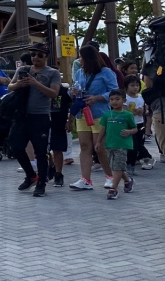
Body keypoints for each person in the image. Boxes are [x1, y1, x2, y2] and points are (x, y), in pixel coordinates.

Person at [7, 43, 61, 196]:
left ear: (46, 57)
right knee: (16, 146)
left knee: (40, 151)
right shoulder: (23, 70)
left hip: (40, 116)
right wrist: (18, 84)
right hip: (22, 115)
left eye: (39, 55)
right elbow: (10, 87)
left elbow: (53, 94)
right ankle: (31, 175)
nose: (35, 58)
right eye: (33, 54)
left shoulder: (52, 73)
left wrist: (36, 83)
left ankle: (42, 182)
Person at [70, 44, 118, 191]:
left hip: (99, 114)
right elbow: (75, 87)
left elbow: (115, 91)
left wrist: (97, 98)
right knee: (85, 146)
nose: (79, 59)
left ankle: (110, 176)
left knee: (100, 147)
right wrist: (72, 92)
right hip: (82, 113)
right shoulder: (79, 72)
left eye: (81, 56)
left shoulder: (106, 72)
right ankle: (85, 179)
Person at [99, 89, 137, 199]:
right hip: (110, 144)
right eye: (111, 99)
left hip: (122, 144)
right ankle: (128, 180)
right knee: (115, 166)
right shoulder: (107, 115)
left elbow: (135, 129)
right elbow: (103, 129)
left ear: (123, 100)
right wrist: (98, 142)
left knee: (118, 167)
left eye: (117, 99)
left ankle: (113, 189)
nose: (114, 102)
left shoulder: (128, 115)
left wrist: (129, 132)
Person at [124, 75, 152, 173]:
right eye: (132, 85)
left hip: (140, 124)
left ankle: (133, 165)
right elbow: (124, 111)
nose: (135, 87)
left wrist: (142, 111)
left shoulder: (140, 97)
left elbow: (145, 109)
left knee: (139, 144)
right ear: (127, 86)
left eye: (137, 85)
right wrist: (132, 112)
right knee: (133, 146)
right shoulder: (125, 98)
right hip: (130, 125)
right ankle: (130, 164)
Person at [49, 81, 72, 187]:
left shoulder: (63, 91)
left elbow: (72, 104)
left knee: (57, 149)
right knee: (41, 149)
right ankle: (50, 168)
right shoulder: (36, 88)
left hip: (58, 121)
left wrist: (69, 121)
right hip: (40, 120)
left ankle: (58, 174)